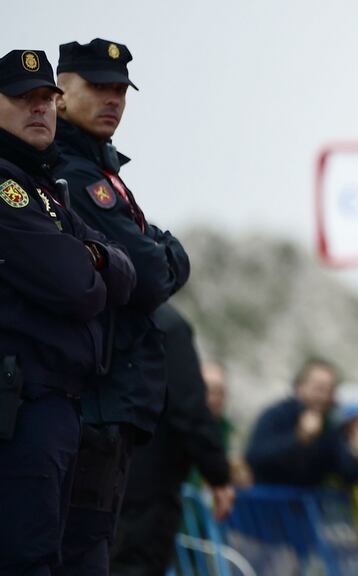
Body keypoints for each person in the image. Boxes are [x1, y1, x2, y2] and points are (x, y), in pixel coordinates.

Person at [53, 38, 191, 575]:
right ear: (60, 94)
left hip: (113, 402)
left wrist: (160, 254)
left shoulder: (102, 170)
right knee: (81, 552)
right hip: (92, 399)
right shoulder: (76, 174)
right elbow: (153, 274)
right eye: (98, 88)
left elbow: (158, 258)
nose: (113, 100)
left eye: (120, 91)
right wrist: (161, 254)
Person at [0, 49, 136, 575]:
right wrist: (92, 263)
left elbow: (124, 273)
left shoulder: (45, 190)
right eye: (23, 100)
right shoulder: (9, 189)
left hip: (58, 406)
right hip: (23, 405)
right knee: (27, 558)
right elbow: (76, 286)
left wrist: (94, 256)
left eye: (47, 99)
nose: (41, 110)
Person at [110, 304, 234, 576]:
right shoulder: (166, 322)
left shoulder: (91, 303)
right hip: (146, 484)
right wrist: (218, 475)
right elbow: (188, 408)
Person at [245, 358, 358, 487]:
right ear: (299, 388)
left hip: (306, 504)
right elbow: (255, 458)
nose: (324, 397)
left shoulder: (330, 425)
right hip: (267, 501)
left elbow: (345, 475)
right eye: (319, 389)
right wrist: (299, 438)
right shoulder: (276, 414)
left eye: (329, 391)